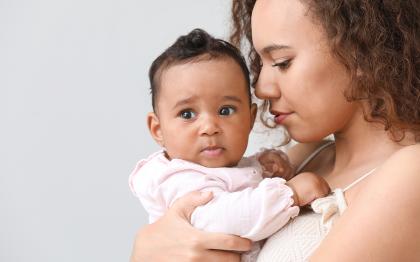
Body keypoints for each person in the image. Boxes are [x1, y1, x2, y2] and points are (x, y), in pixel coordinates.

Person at [130, 0, 420, 261]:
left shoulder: (411, 172)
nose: (260, 87)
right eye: (260, 63)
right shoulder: (304, 158)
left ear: (360, 52)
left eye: (282, 62)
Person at [129, 28, 330, 262]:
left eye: (226, 110)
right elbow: (225, 218)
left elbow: (236, 183)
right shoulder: (177, 178)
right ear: (158, 129)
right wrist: (290, 194)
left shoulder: (222, 169)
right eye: (187, 114)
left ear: (250, 118)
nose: (209, 126)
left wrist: (261, 167)